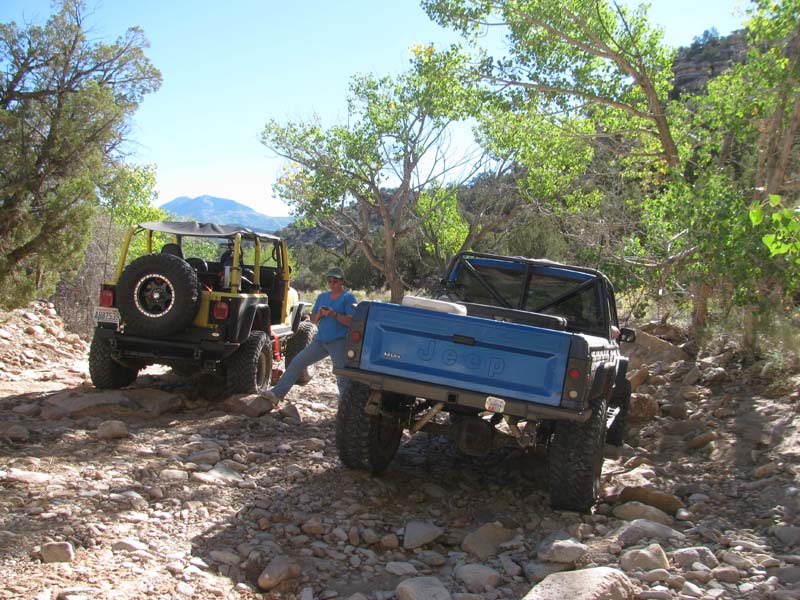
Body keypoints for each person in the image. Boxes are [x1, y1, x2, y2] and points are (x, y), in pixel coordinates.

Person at [264, 266, 356, 402]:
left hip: (339, 342)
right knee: (297, 362)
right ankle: (277, 394)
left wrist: (335, 314)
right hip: (320, 341)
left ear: (342, 281)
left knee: (342, 377)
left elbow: (351, 321)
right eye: (330, 281)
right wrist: (319, 314)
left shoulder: (348, 298)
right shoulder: (322, 297)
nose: (332, 284)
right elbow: (313, 320)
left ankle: (347, 406)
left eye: (335, 281)